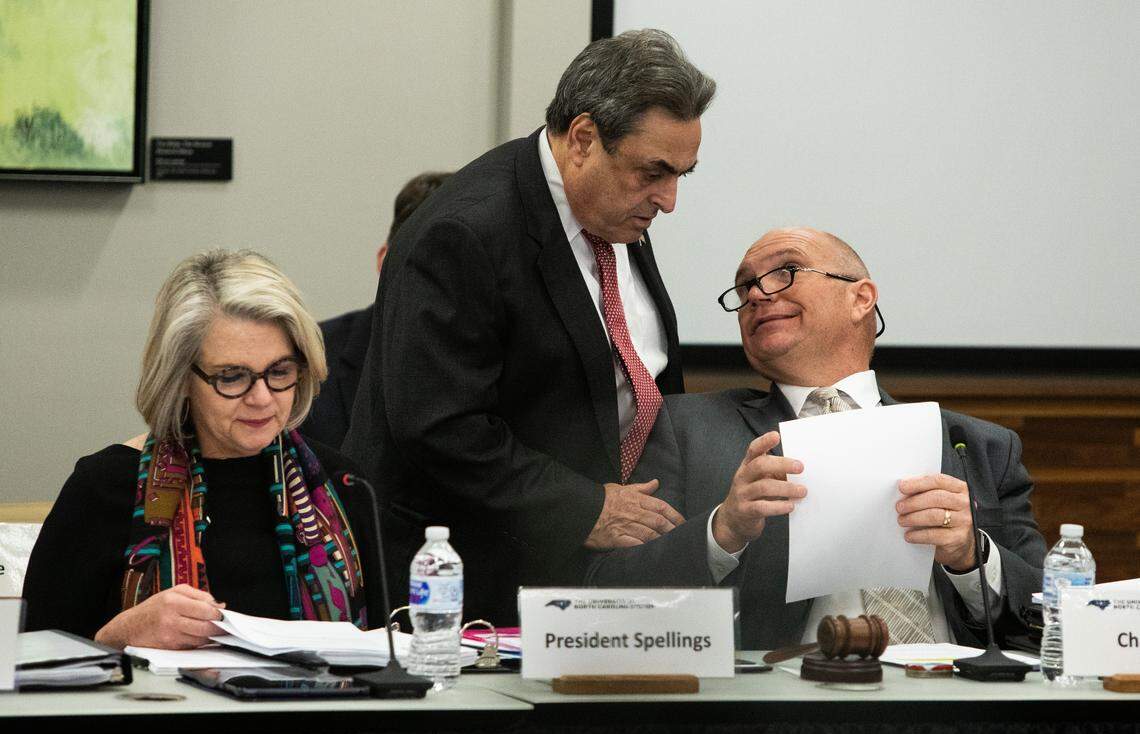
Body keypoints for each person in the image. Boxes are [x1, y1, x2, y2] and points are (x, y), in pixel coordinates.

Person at [343, 29, 716, 623]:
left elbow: (631, 373)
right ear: (583, 139)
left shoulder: (612, 214)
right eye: (653, 172)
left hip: (592, 576)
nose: (668, 200)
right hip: (468, 587)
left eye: (682, 175)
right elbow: (439, 425)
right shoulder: (464, 232)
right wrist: (584, 508)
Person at [587, 227, 1046, 649]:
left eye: (785, 271)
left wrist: (972, 556)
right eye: (744, 287)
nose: (756, 294)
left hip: (951, 699)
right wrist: (721, 533)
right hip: (781, 700)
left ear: (861, 298)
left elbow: (1048, 616)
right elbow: (608, 592)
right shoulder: (688, 429)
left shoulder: (978, 447)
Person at [23, 250, 384, 648]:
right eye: (232, 377)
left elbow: (388, 647)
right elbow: (28, 661)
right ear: (181, 378)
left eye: (280, 371)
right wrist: (116, 638)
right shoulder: (106, 488)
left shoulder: (342, 485)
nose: (262, 398)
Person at [301, 171, 452, 449]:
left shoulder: (516, 366)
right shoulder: (308, 357)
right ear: (384, 260)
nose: (440, 286)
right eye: (423, 265)